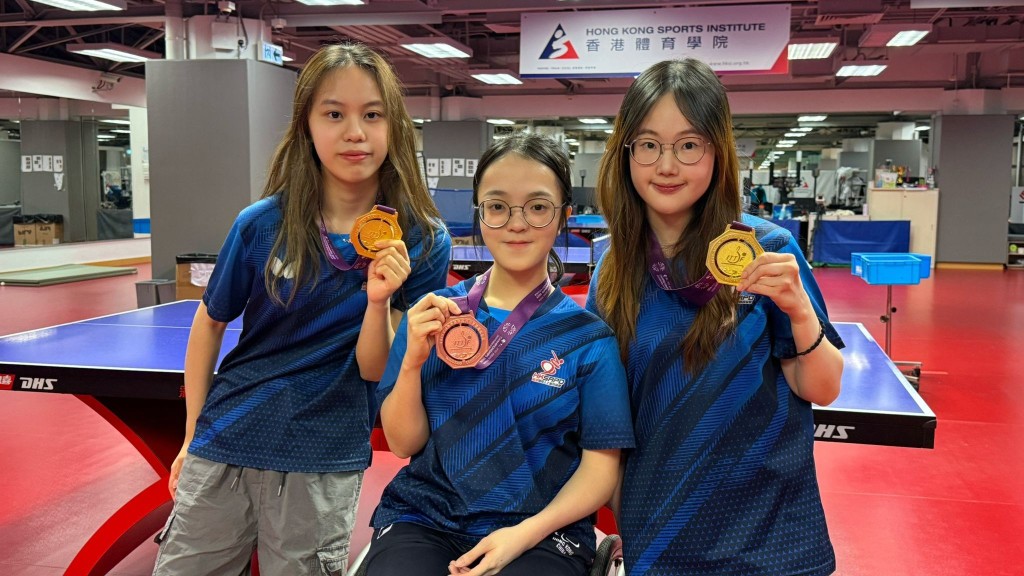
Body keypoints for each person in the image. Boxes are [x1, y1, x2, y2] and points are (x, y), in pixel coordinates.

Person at [152, 43, 452, 576]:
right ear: (307, 126)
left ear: (395, 126)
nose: (354, 132)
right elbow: (210, 321)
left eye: (372, 114)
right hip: (228, 439)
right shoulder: (261, 224)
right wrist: (193, 431)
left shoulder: (423, 242)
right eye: (334, 113)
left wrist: (378, 299)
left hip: (324, 453)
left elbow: (375, 370)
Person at [586, 58, 845, 575]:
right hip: (660, 532)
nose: (666, 165)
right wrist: (622, 517)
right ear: (626, 154)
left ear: (717, 152)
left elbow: (823, 387)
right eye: (648, 144)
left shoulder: (768, 249)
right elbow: (605, 416)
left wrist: (798, 310)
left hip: (773, 536)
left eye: (688, 145)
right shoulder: (611, 271)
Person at [364, 133, 635, 576]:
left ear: (563, 215)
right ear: (480, 213)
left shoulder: (588, 339)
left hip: (543, 530)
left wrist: (523, 535)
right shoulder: (435, 314)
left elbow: (600, 470)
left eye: (537, 206)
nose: (516, 223)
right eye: (497, 206)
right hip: (427, 517)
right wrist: (412, 361)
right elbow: (403, 443)